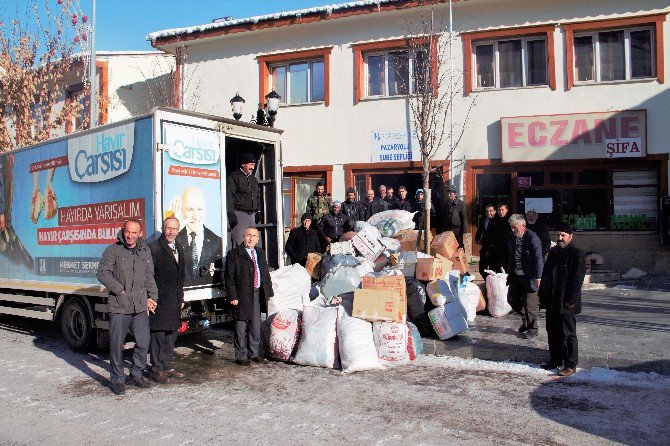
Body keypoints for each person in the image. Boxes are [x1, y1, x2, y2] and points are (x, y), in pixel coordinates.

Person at [97, 220, 158, 395]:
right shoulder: (113, 250)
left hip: (139, 306)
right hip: (119, 306)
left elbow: (149, 277)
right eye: (127, 232)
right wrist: (119, 290)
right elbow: (102, 273)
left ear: (140, 234)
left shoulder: (145, 251)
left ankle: (136, 373)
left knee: (143, 342)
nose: (130, 236)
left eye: (134, 233)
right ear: (123, 232)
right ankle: (117, 379)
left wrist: (152, 297)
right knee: (116, 345)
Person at [538, 223, 586, 377]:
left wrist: (571, 299)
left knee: (568, 333)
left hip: (566, 301)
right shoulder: (553, 252)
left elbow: (577, 279)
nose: (559, 238)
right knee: (552, 331)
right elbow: (546, 274)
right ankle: (555, 360)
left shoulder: (577, 253)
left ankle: (571, 364)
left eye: (563, 235)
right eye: (557, 235)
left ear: (570, 236)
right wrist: (542, 293)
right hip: (552, 300)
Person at [225, 226, 274, 366]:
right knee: (241, 327)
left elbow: (265, 274)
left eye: (254, 236)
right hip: (241, 296)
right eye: (248, 235)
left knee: (255, 326)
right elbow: (229, 278)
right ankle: (241, 355)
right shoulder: (234, 254)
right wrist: (233, 296)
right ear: (243, 237)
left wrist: (268, 292)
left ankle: (254, 353)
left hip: (257, 295)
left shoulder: (259, 252)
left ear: (258, 239)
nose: (251, 238)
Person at [148, 217, 186, 383]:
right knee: (158, 335)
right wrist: (150, 297)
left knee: (171, 334)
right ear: (164, 229)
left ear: (178, 230)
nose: (171, 232)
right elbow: (148, 276)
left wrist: (181, 297)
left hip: (174, 299)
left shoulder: (179, 247)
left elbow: (181, 275)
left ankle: (167, 365)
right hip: (159, 300)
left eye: (175, 229)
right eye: (169, 228)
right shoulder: (155, 248)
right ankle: (156, 369)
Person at [506, 214, 544, 340]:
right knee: (512, 299)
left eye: (514, 227)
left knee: (530, 304)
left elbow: (539, 259)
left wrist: (539, 277)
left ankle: (533, 329)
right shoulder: (512, 237)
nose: (512, 230)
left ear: (523, 226)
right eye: (511, 227)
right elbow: (511, 255)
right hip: (516, 276)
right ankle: (526, 320)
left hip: (530, 277)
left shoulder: (532, 238)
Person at [176, 186, 223, 287]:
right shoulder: (175, 238)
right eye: (189, 210)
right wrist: (176, 227)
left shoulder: (217, 242)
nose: (195, 215)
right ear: (181, 210)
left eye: (199, 209)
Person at [227, 152, 259, 246]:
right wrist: (232, 214)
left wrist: (258, 211)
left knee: (252, 242)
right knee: (241, 241)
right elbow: (229, 196)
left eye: (253, 164)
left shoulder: (253, 179)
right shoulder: (234, 177)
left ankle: (251, 260)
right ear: (243, 164)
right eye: (250, 164)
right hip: (239, 214)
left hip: (251, 215)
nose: (252, 167)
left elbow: (257, 196)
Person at [489, 202, 511, 273]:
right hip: (496, 248)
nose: (500, 212)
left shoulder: (510, 220)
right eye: (499, 210)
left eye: (502, 210)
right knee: (497, 268)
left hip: (507, 248)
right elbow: (491, 234)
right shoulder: (494, 220)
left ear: (507, 210)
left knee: (506, 268)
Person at [476, 204, 497, 279]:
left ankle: (491, 285)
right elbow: (479, 230)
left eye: (491, 211)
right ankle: (487, 281)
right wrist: (477, 239)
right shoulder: (483, 219)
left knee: (493, 270)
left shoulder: (498, 221)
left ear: (494, 211)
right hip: (485, 246)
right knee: (482, 269)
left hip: (494, 248)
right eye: (487, 211)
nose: (489, 213)